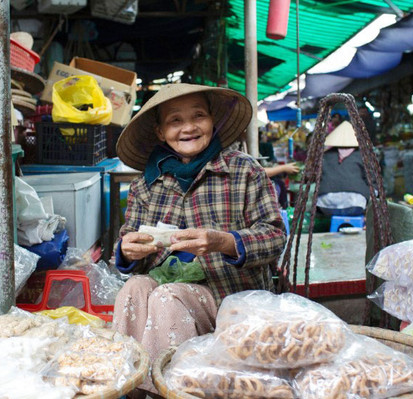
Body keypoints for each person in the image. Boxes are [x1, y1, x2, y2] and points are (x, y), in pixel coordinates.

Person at [113, 83, 285, 396]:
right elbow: (129, 238)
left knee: (168, 297)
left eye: (198, 116)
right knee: (133, 288)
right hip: (162, 303)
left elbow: (274, 237)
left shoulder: (244, 171)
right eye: (175, 121)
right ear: (160, 131)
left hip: (231, 302)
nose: (189, 127)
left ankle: (167, 391)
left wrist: (224, 242)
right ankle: (128, 387)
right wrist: (127, 249)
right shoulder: (145, 185)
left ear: (212, 121)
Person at [317, 121, 370, 216]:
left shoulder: (325, 155)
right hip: (356, 203)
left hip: (325, 204)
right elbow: (372, 180)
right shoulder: (363, 156)